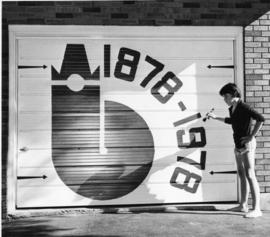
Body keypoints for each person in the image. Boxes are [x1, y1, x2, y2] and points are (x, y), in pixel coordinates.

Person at [207, 83, 265, 218]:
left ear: (233, 95)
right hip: (238, 144)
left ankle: (257, 209)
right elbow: (232, 121)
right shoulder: (232, 108)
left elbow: (261, 119)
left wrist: (251, 136)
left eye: (225, 96)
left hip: (247, 146)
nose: (224, 99)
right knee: (241, 174)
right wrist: (215, 117)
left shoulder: (244, 107)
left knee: (250, 174)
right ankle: (243, 205)